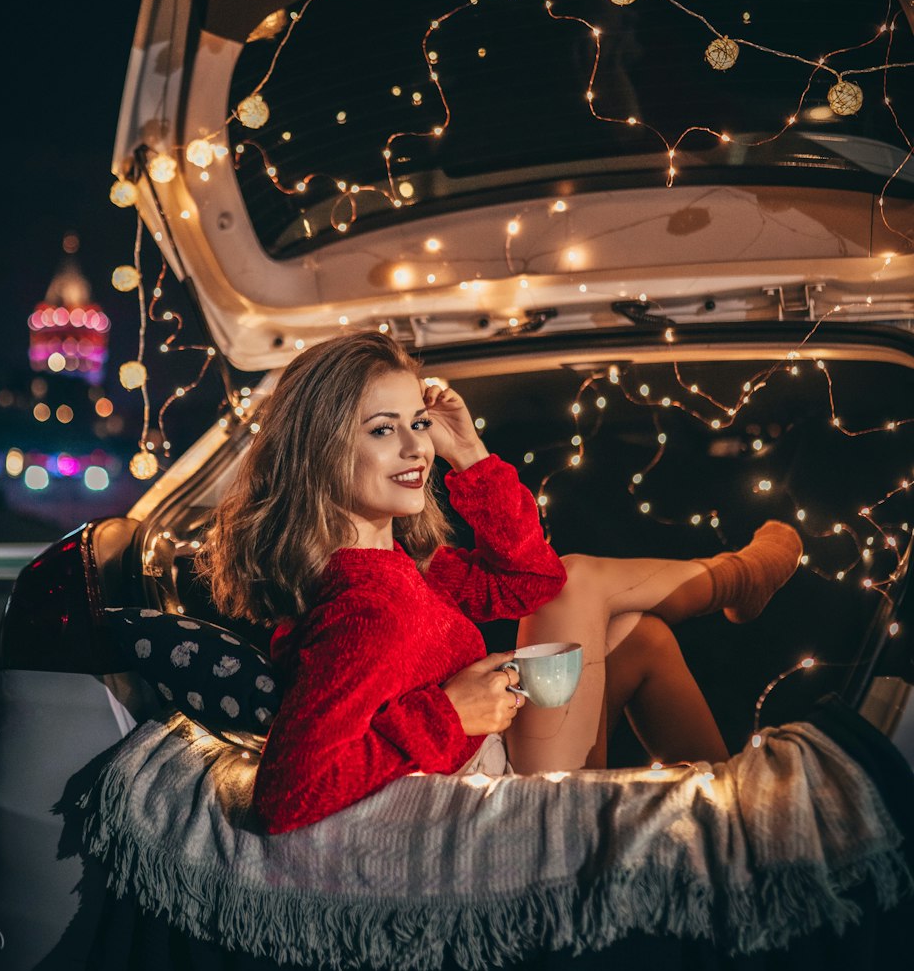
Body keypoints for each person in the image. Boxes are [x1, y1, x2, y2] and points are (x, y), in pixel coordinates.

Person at [200, 332, 801, 832]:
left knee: (641, 639)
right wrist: (448, 715)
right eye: (383, 430)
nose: (417, 447)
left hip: (507, 747)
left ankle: (739, 824)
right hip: (502, 790)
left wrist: (469, 453)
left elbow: (527, 581)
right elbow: (287, 797)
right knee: (580, 581)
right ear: (320, 451)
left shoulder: (407, 569)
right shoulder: (368, 608)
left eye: (419, 423)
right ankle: (734, 579)